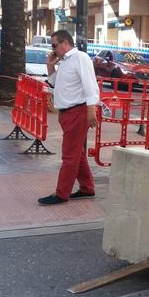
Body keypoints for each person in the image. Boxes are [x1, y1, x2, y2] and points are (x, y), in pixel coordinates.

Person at [38, 30, 100, 205]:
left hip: (77, 112)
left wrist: (91, 110)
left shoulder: (80, 58)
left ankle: (61, 193)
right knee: (76, 154)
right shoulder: (65, 61)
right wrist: (50, 66)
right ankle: (87, 188)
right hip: (68, 113)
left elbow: (90, 85)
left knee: (69, 155)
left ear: (65, 43)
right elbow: (55, 83)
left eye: (54, 45)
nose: (53, 49)